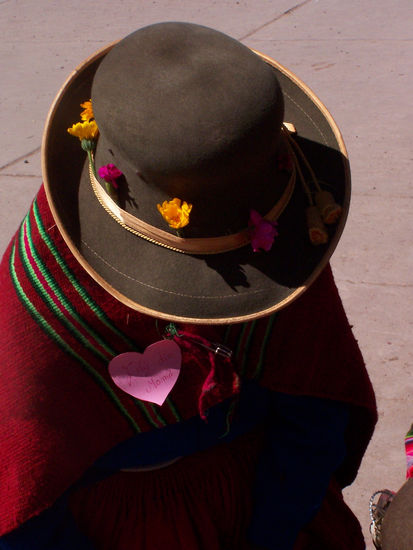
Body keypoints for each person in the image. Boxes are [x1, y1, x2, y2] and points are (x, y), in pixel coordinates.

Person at [0, 22, 376, 550]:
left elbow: (315, 415)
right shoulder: (44, 290)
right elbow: (24, 487)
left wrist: (269, 534)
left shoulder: (276, 236)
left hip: (270, 504)